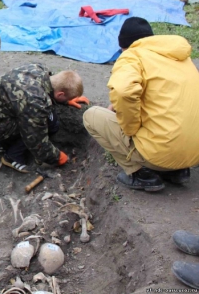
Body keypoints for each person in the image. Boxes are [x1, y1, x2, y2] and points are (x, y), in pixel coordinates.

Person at [83, 17, 199, 191]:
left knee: (90, 116)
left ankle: (140, 174)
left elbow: (123, 91)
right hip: (193, 153)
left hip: (160, 153)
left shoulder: (132, 55)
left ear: (124, 46)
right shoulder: (179, 56)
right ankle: (176, 171)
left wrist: (129, 128)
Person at [0, 63, 87, 172]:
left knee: (48, 118)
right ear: (60, 94)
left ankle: (1, 140)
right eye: (66, 98)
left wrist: (66, 101)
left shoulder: (39, 69)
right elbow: (36, 139)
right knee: (42, 124)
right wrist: (57, 157)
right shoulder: (35, 101)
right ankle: (12, 157)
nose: (67, 100)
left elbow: (50, 94)